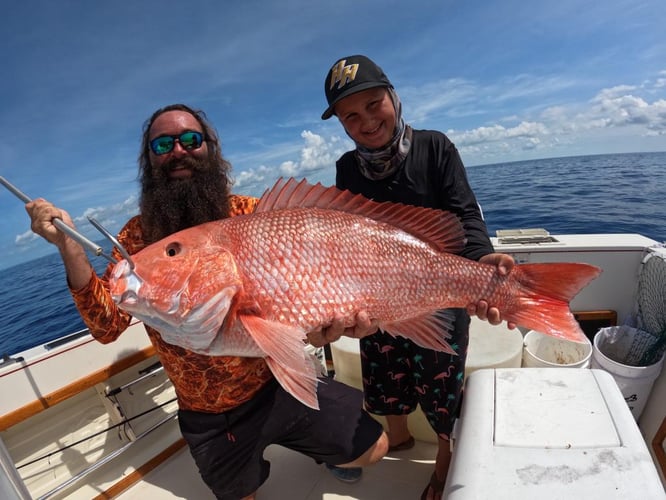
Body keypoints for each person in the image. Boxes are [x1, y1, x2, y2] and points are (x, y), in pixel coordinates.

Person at [25, 103, 389, 500]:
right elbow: (108, 327)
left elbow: (311, 292)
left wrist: (325, 329)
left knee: (375, 449)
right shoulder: (135, 239)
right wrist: (70, 248)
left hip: (277, 384)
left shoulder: (249, 214)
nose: (178, 151)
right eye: (163, 143)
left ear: (210, 148)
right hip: (210, 416)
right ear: (149, 159)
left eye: (191, 139)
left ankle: (320, 446)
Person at [320, 55, 516, 500]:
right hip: (377, 294)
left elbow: (464, 213)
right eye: (351, 116)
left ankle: (445, 458)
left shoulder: (435, 147)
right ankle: (400, 435)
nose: (367, 121)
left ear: (394, 97)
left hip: (437, 291)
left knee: (441, 375)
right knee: (383, 368)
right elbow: (345, 230)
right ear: (343, 126)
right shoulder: (347, 169)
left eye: (374, 104)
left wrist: (481, 257)